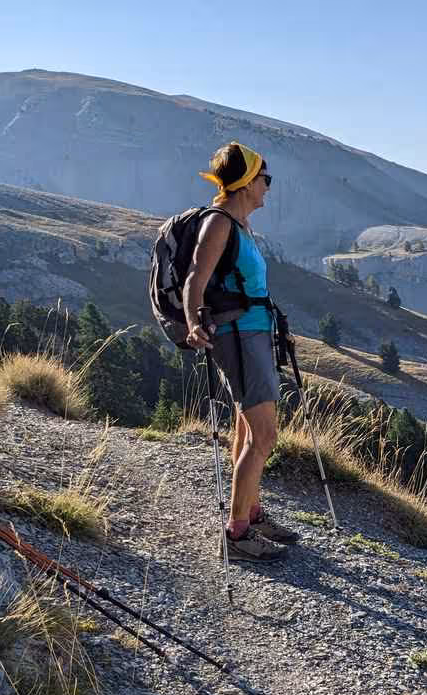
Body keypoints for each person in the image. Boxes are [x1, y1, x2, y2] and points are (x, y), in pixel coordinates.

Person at [183, 142, 298, 562]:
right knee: (265, 434)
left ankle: (250, 511)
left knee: (248, 430)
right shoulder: (219, 223)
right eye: (266, 179)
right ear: (248, 182)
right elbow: (197, 273)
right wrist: (194, 320)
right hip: (239, 336)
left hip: (251, 333)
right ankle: (237, 532)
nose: (268, 187)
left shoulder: (238, 223)